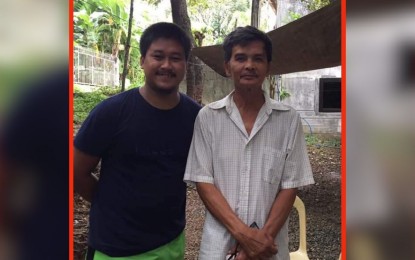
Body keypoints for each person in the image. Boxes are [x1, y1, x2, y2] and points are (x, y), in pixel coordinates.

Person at [184, 26, 315, 260]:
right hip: (218, 248)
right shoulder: (208, 117)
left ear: (268, 67)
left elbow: (290, 184)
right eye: (240, 58)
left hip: (269, 247)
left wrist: (258, 244)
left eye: (258, 59)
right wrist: (245, 236)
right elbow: (204, 182)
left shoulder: (288, 119)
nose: (249, 66)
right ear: (227, 66)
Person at [74, 22, 201, 260]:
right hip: (117, 248)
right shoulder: (111, 113)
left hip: (171, 241)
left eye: (175, 58)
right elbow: (76, 170)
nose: (166, 65)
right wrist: (109, 205)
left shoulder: (195, 116)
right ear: (142, 60)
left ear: (185, 64)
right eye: (158, 56)